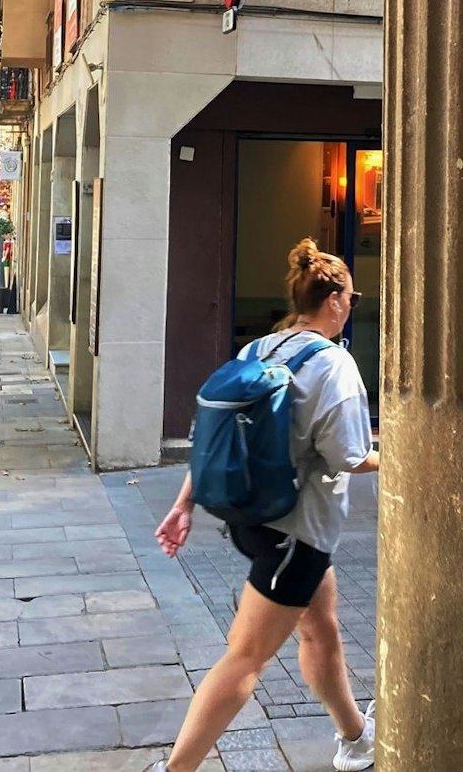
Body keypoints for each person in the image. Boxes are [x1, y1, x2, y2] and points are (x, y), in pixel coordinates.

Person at [148, 239, 378, 772]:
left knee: (321, 625)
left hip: (253, 522)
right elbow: (347, 455)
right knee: (245, 656)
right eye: (353, 298)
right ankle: (175, 769)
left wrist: (185, 503)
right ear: (338, 300)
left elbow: (214, 435)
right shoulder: (334, 366)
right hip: (296, 534)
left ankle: (355, 736)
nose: (351, 306)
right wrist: (391, 460)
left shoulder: (259, 350)